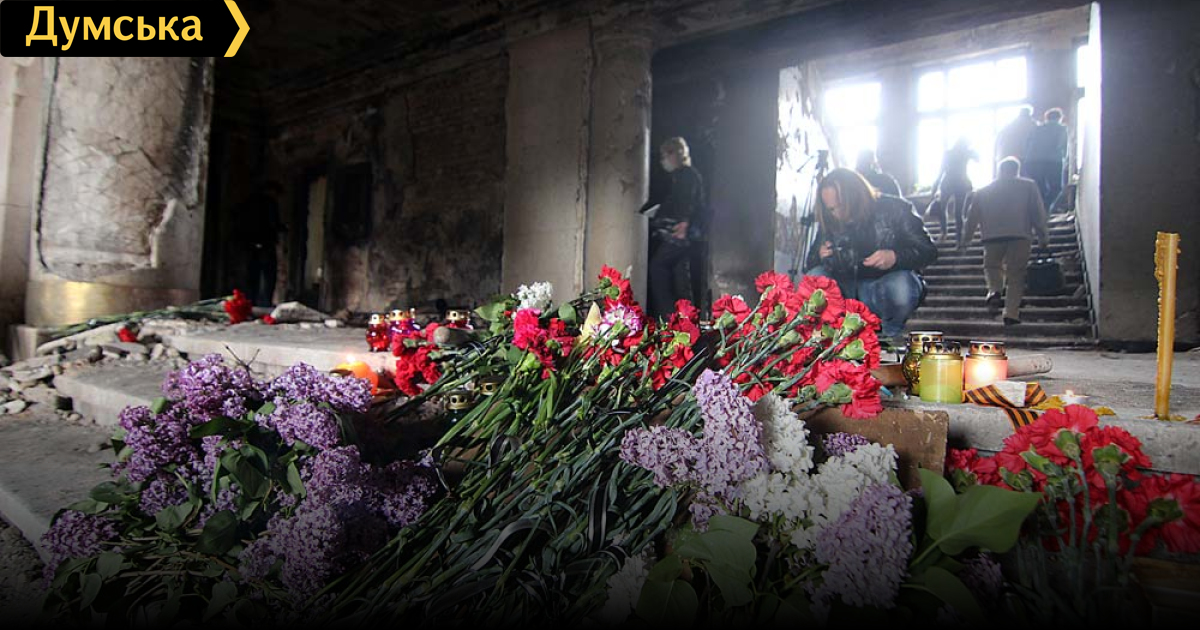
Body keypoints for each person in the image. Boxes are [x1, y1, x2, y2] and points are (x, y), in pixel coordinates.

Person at [804, 168, 938, 343]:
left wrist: (895, 257)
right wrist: (820, 255)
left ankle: (890, 333)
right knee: (815, 277)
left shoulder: (895, 209)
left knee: (901, 286)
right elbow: (810, 265)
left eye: (840, 206)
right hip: (846, 292)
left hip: (882, 288)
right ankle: (837, 333)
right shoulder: (830, 220)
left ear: (855, 196)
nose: (836, 214)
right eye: (831, 209)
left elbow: (929, 251)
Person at [958, 157, 1049, 326]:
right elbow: (1037, 212)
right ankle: (1011, 313)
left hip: (991, 237)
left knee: (992, 267)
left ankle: (995, 290)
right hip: (1020, 235)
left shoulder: (983, 191)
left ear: (999, 171)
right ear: (1017, 170)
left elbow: (972, 217)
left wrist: (966, 240)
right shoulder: (1028, 186)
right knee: (1016, 275)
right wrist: (1043, 236)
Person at [645, 137, 712, 318]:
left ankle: (668, 317)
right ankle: (685, 320)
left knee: (657, 267)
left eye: (665, 155)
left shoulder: (686, 175)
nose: (663, 160)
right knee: (680, 275)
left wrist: (683, 223)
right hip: (686, 233)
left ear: (676, 154)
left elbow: (685, 202)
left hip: (681, 233)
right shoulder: (686, 175)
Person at [930, 138, 977, 242]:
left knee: (952, 211)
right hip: (958, 183)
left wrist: (935, 185)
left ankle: (949, 234)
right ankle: (955, 237)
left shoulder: (954, 153)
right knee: (955, 212)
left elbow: (941, 171)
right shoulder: (962, 153)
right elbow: (941, 170)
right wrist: (936, 185)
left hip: (953, 183)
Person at [1024, 108, 1069, 208]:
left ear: (1046, 118)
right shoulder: (1062, 129)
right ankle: (1045, 208)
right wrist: (1065, 159)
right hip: (1052, 161)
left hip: (1032, 160)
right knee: (1056, 188)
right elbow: (1061, 146)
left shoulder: (1037, 128)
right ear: (1060, 118)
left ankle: (1038, 209)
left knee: (1039, 188)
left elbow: (1027, 144)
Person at [994, 106, 1036, 171]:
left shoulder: (1008, 125)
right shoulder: (1032, 125)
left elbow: (998, 142)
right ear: (1029, 114)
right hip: (1022, 157)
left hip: (1004, 156)